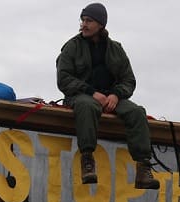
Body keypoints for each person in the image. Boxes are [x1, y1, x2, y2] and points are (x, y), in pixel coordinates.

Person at [57, 2, 160, 189]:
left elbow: (128, 79)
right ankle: (87, 161)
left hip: (111, 98)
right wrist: (91, 92)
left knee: (137, 112)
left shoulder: (115, 49)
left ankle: (143, 169)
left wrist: (116, 95)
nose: (84, 24)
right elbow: (63, 79)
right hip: (81, 96)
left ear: (101, 25)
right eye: (83, 20)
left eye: (89, 20)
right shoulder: (72, 47)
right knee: (87, 106)